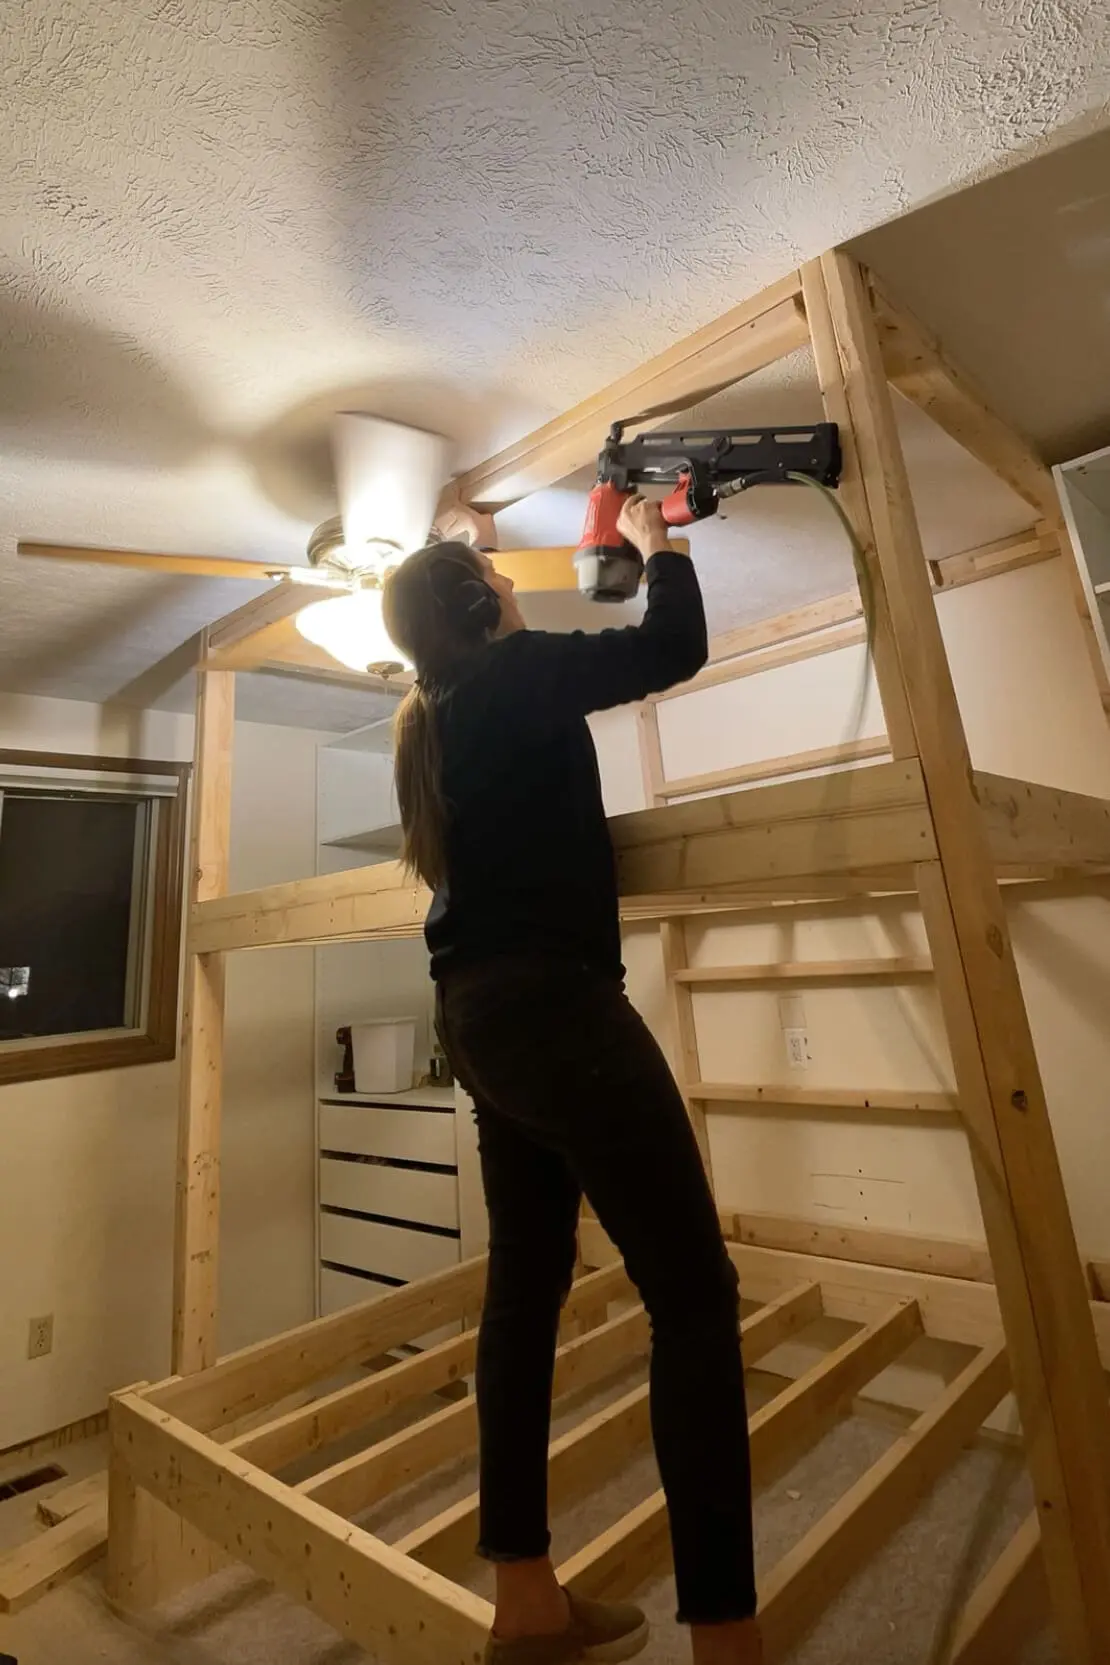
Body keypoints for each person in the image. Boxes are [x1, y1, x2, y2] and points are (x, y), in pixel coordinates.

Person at [381, 497, 762, 1665]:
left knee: (524, 1291)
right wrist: (664, 542)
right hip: (556, 1013)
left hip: (479, 1023)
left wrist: (461, 546)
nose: (511, 585)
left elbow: (467, 603)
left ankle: (529, 1604)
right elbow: (672, 648)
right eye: (494, 577)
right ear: (487, 607)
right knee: (693, 1305)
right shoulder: (515, 676)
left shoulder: (438, 711)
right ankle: (729, 1644)